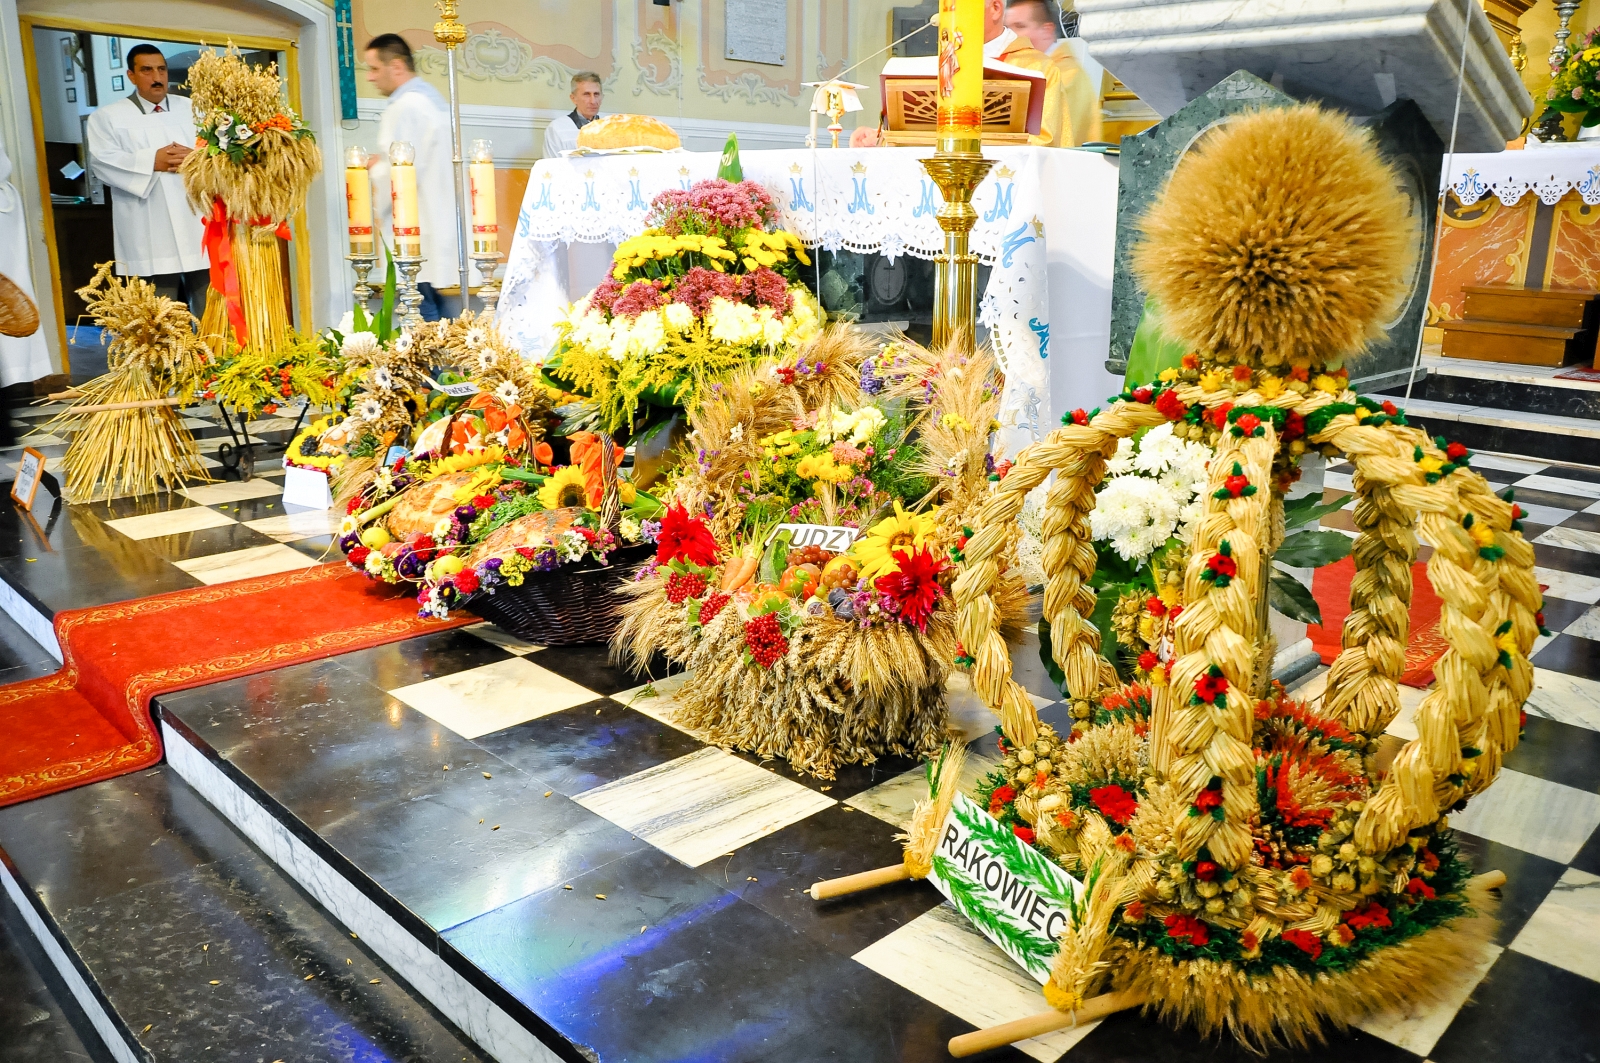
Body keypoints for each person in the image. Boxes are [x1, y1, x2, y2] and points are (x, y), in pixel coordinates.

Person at [84, 44, 209, 319]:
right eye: (147, 70)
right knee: (161, 307)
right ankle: (168, 362)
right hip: (149, 222)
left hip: (195, 218)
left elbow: (217, 151)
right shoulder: (107, 117)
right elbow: (103, 162)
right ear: (131, 75)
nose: (157, 76)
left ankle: (213, 357)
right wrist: (153, 160)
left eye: (161, 69)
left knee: (208, 298)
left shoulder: (193, 109)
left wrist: (195, 157)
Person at [365, 33, 458, 321]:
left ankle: (432, 368)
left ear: (396, 66)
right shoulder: (430, 100)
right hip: (432, 219)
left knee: (417, 309)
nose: (370, 78)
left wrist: (371, 170)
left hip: (415, 224)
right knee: (432, 304)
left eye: (374, 69)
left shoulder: (406, 107)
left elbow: (402, 170)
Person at [1005, 0, 1104, 146]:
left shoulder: (1067, 74)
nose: (1010, 35)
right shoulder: (1021, 68)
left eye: (1019, 26)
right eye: (1007, 28)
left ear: (1047, 30)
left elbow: (1048, 134)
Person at [543, 72, 604, 157]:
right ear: (573, 98)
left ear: (602, 97)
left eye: (596, 94)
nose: (593, 101)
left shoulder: (608, 129)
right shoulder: (557, 128)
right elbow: (552, 166)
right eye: (587, 94)